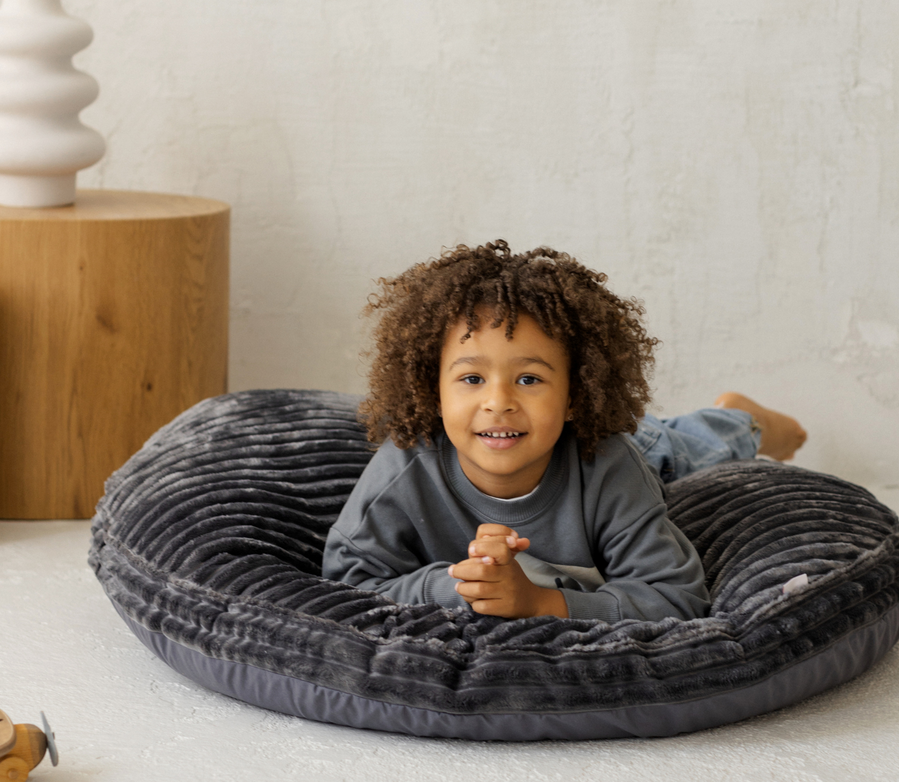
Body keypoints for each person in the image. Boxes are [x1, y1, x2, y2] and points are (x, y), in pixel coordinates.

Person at [322, 241, 806, 622]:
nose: (498, 401)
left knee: (679, 447)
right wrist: (457, 584)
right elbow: (347, 582)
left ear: (575, 394)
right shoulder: (404, 466)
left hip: (630, 449)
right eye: (472, 379)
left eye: (529, 379)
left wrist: (538, 602)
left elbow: (675, 599)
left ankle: (745, 419)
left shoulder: (611, 465)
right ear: (433, 390)